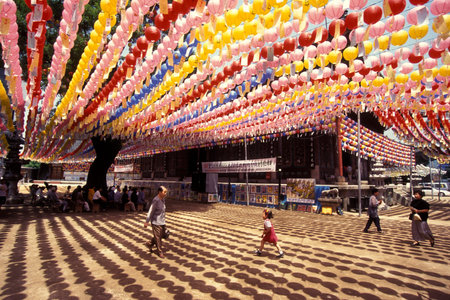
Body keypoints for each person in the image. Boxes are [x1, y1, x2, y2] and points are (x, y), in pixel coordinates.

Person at [144, 186, 168, 258]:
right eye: (164, 192)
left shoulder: (163, 200)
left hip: (162, 221)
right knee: (158, 238)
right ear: (159, 192)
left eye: (166, 192)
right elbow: (151, 211)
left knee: (163, 235)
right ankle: (160, 251)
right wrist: (147, 221)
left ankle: (149, 244)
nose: (165, 193)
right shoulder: (156, 200)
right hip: (156, 222)